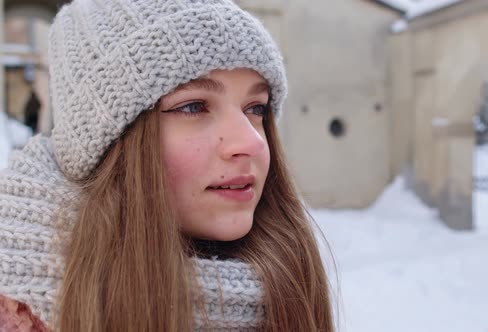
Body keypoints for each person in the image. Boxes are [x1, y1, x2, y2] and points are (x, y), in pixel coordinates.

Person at [0, 0, 335, 330]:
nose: (252, 142)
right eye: (193, 107)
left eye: (256, 108)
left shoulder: (290, 287)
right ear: (107, 145)